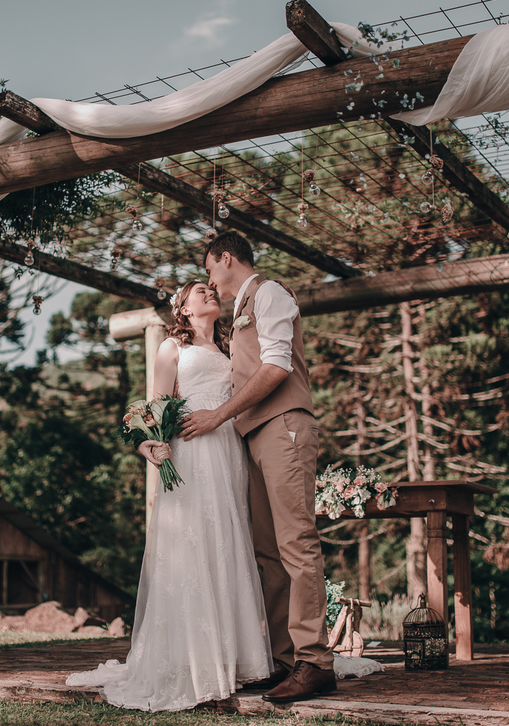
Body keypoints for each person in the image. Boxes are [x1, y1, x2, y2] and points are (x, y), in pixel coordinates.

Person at [66, 281, 275, 711]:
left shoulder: (230, 348)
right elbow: (154, 408)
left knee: (228, 545)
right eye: (201, 290)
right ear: (182, 306)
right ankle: (193, 663)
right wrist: (148, 445)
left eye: (214, 290)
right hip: (193, 454)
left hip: (229, 453)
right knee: (193, 547)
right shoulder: (171, 348)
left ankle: (234, 659)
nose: (211, 293)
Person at [183, 232, 336, 703]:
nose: (210, 280)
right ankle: (285, 660)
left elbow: (277, 367)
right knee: (268, 551)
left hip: (284, 427)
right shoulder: (241, 307)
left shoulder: (270, 292)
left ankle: (315, 661)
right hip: (255, 436)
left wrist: (218, 415)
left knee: (296, 543)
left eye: (210, 270)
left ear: (226, 259)